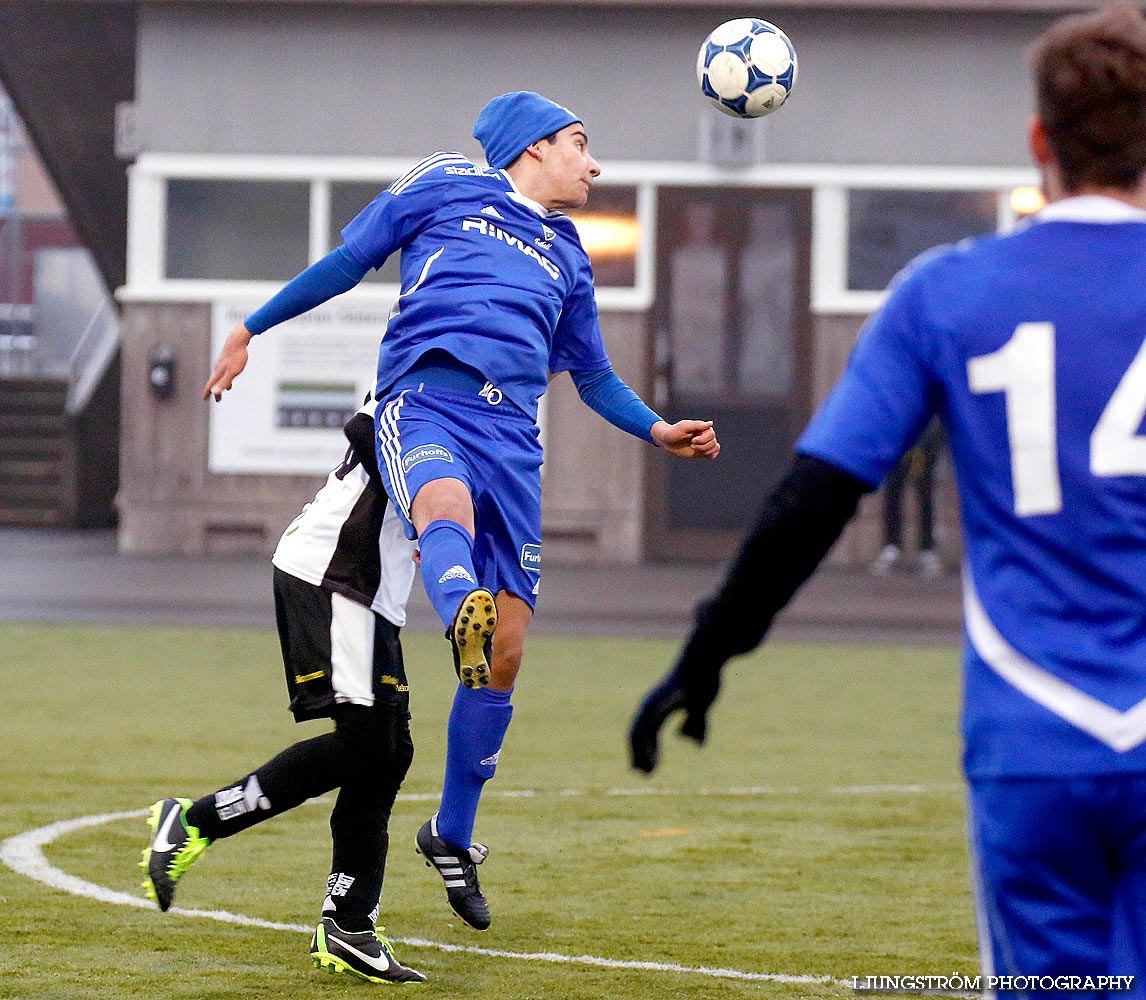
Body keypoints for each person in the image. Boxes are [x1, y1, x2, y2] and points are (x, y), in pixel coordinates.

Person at [630, 5, 1146, 992]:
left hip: (1035, 730)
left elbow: (812, 497)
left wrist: (710, 650)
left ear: (1039, 141)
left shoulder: (944, 293)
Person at [203, 91, 721, 931]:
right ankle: (456, 612)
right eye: (582, 145)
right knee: (443, 506)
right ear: (532, 148)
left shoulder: (570, 255)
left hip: (513, 440)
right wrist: (251, 327)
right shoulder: (446, 183)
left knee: (507, 653)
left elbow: (591, 377)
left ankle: (452, 833)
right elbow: (348, 260)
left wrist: (659, 429)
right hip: (428, 400)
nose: (595, 165)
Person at [141, 403, 427, 984]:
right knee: (368, 749)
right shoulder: (424, 367)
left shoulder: (473, 389)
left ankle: (348, 923)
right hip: (334, 576)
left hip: (369, 592)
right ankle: (194, 822)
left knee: (389, 751)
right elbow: (367, 429)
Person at [869, 418, 945, 578]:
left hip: (924, 434)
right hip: (898, 433)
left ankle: (927, 549)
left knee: (924, 489)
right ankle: (892, 546)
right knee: (893, 487)